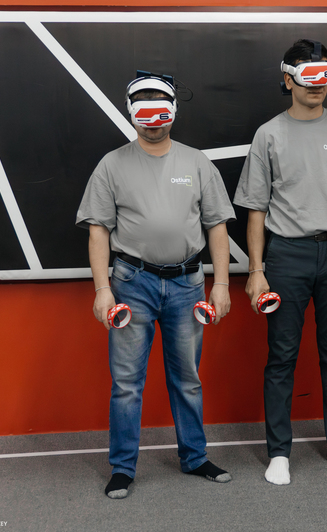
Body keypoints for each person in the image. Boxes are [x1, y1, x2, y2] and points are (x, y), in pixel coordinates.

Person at [76, 72, 236, 498]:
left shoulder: (197, 162)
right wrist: (102, 289)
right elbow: (98, 231)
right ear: (131, 113)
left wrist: (221, 283)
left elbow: (217, 226)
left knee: (187, 378)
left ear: (173, 111)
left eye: (160, 112)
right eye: (144, 113)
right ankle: (123, 467)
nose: (152, 122)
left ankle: (195, 457)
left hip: (188, 284)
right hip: (132, 283)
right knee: (127, 383)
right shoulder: (111, 165)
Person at [234, 39, 327, 486]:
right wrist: (256, 270)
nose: (317, 83)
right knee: (282, 354)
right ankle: (279, 452)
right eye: (307, 74)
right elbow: (255, 209)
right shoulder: (269, 134)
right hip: (287, 254)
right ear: (288, 79)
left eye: (325, 74)